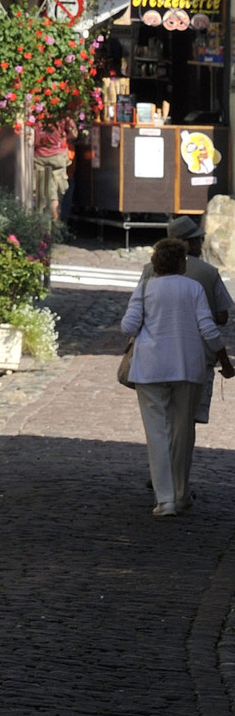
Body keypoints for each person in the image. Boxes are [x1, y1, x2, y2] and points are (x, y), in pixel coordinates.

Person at [121, 237, 226, 516]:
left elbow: (128, 325)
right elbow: (209, 328)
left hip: (150, 368)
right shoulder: (193, 288)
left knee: (157, 432)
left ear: (155, 264)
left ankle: (164, 499)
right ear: (181, 262)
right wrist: (224, 359)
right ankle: (181, 494)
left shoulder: (145, 288)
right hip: (187, 367)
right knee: (182, 431)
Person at [136, 215, 233, 429]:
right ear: (186, 244)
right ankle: (178, 461)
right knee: (187, 422)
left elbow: (136, 315)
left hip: (156, 356)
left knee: (161, 421)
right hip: (196, 358)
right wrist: (225, 361)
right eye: (197, 240)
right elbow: (221, 318)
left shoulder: (149, 270)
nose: (201, 244)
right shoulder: (208, 273)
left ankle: (165, 460)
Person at [33, 114, 74, 232]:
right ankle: (55, 229)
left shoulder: (37, 112)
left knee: (41, 194)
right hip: (57, 156)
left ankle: (41, 230)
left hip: (40, 155)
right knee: (55, 195)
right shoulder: (61, 113)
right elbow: (73, 133)